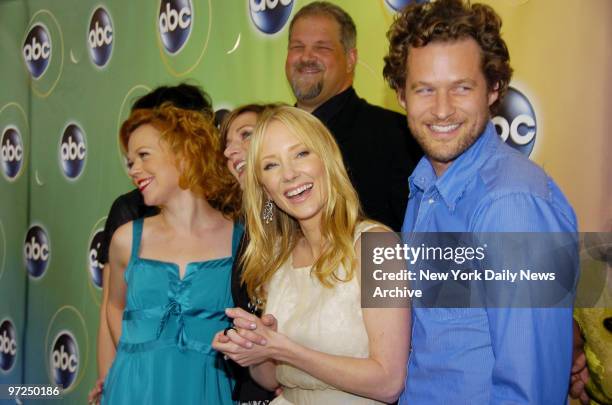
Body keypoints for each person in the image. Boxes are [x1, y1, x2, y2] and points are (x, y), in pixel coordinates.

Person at [382, 0, 578, 403]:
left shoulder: (513, 204)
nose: (441, 109)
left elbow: (532, 392)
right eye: (424, 89)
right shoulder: (423, 188)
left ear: (494, 89)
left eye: (461, 87)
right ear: (401, 95)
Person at [213, 106, 411, 404]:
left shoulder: (378, 246)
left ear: (327, 159)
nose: (289, 174)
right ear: (265, 190)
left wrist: (284, 349)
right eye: (271, 165)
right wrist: (256, 347)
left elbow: (388, 381)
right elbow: (269, 379)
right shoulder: (277, 261)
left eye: (301, 153)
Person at [101, 102, 242, 404]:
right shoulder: (126, 240)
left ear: (185, 154)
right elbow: (113, 306)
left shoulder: (241, 240)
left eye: (143, 156)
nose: (133, 170)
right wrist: (132, 359)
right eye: (130, 161)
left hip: (208, 391)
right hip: (133, 392)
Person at [285, 1, 421, 231]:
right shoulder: (270, 141)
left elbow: (411, 238)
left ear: (350, 59)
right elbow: (266, 216)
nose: (306, 57)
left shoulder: (396, 137)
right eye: (297, 46)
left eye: (322, 47)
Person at [220, 103, 285, 404]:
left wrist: (301, 373)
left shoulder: (371, 239)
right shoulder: (255, 225)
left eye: (245, 135)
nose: (230, 152)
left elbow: (386, 380)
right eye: (227, 144)